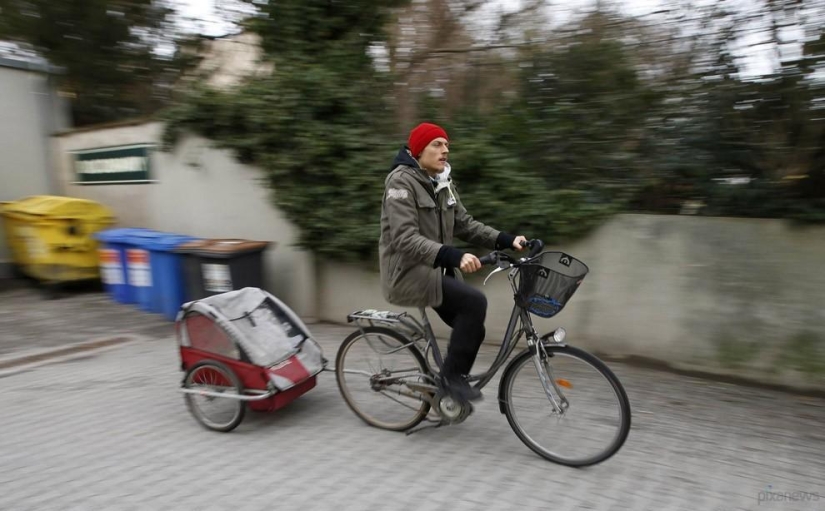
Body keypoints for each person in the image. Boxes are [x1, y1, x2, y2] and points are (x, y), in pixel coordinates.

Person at [378, 122, 527, 404]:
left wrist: (507, 240)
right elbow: (404, 238)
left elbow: (466, 224)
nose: (445, 150)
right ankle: (450, 381)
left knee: (472, 326)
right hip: (407, 273)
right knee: (474, 303)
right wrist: (454, 255)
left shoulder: (442, 183)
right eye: (437, 144)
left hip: (434, 271)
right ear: (418, 150)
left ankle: (450, 379)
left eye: (446, 145)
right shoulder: (400, 183)